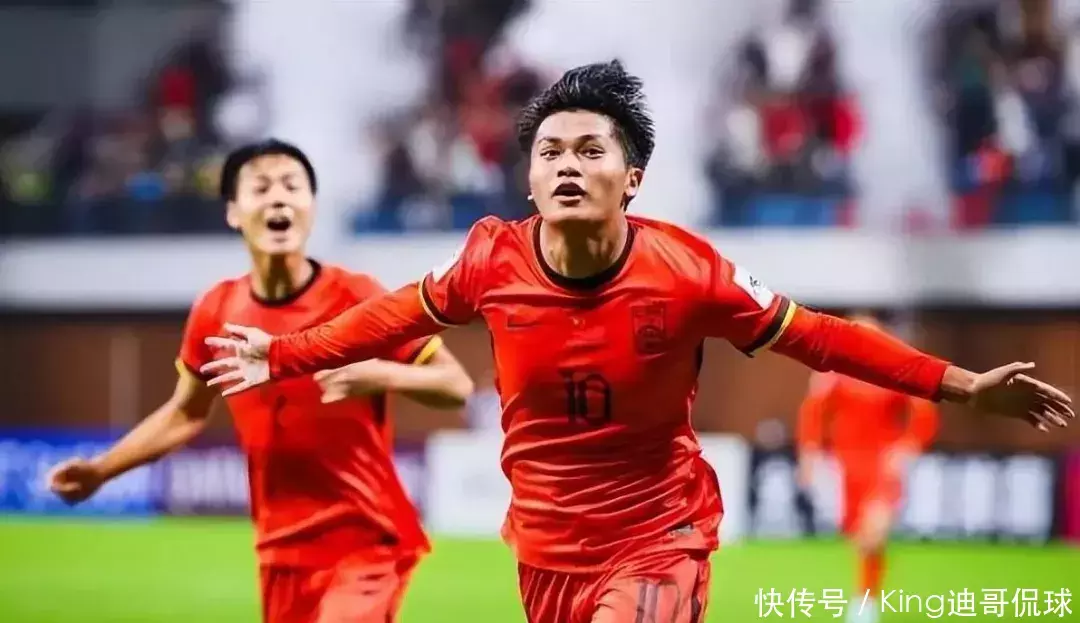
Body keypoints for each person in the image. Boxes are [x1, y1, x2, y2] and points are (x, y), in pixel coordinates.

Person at [199, 63, 1073, 623]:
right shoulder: (489, 260)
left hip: (660, 537)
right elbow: (390, 316)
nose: (567, 163)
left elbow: (819, 337)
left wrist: (961, 384)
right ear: (529, 178)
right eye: (550, 151)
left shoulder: (689, 272)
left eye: (591, 149)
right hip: (545, 552)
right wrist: (282, 353)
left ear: (633, 178)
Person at [46, 139, 474, 623]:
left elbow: (454, 385)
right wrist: (100, 471)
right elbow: (185, 413)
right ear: (233, 212)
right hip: (280, 550)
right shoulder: (216, 310)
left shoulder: (357, 295)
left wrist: (375, 373)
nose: (278, 198)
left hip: (366, 538)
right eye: (262, 187)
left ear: (311, 208)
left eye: (292, 186)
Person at [796, 311, 939, 623]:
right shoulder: (832, 372)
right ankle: (865, 597)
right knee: (859, 538)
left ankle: (865, 605)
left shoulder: (895, 369)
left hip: (883, 466)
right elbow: (813, 414)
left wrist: (908, 446)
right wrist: (809, 455)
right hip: (845, 467)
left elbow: (923, 411)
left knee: (874, 533)